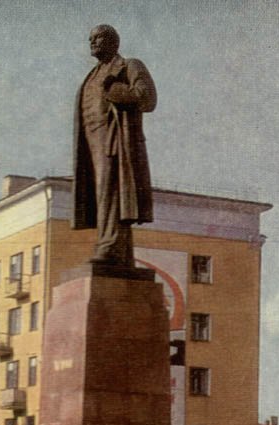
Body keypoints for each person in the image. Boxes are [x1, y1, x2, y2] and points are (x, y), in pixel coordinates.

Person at [72, 24, 157, 267]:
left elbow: (148, 98)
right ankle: (122, 254)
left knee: (111, 190)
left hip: (115, 138)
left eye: (98, 38)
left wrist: (115, 91)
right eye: (90, 38)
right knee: (103, 193)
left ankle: (109, 246)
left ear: (113, 42)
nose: (92, 42)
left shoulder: (129, 65)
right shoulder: (91, 75)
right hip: (91, 141)